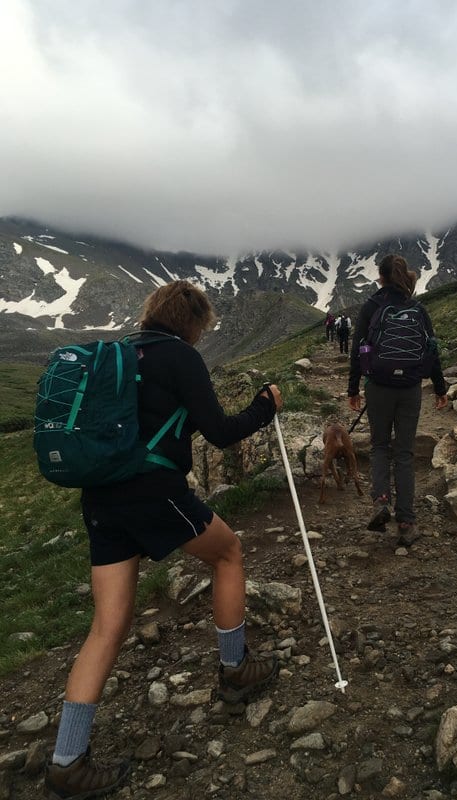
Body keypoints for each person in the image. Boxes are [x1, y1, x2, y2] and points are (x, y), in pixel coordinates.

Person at [45, 280, 283, 800]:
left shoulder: (119, 357)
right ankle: (236, 668)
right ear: (194, 322)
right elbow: (220, 430)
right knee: (228, 553)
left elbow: (160, 423)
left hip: (101, 497)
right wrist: (266, 407)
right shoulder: (180, 357)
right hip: (153, 492)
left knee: (107, 625)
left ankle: (66, 759)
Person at [347, 254, 447, 545]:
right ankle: (406, 522)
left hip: (378, 386)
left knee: (379, 446)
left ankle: (381, 502)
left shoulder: (372, 306)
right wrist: (440, 388)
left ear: (381, 277)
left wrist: (353, 389)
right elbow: (432, 349)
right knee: (404, 452)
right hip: (410, 388)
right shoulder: (417, 308)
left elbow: (358, 350)